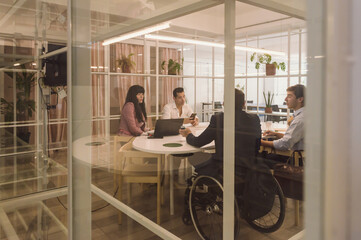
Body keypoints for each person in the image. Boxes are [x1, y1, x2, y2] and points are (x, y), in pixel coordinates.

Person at [179, 89, 261, 177]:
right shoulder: (254, 119)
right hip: (248, 170)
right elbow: (257, 144)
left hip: (223, 170)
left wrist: (188, 134)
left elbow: (198, 142)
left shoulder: (219, 119)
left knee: (194, 155)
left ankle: (207, 183)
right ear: (244, 103)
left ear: (224, 103)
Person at [261, 84, 305, 151]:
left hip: (296, 159)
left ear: (300, 99)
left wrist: (261, 142)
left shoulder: (299, 119)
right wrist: (276, 134)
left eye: (289, 96)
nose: (285, 99)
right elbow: (293, 139)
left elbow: (285, 144)